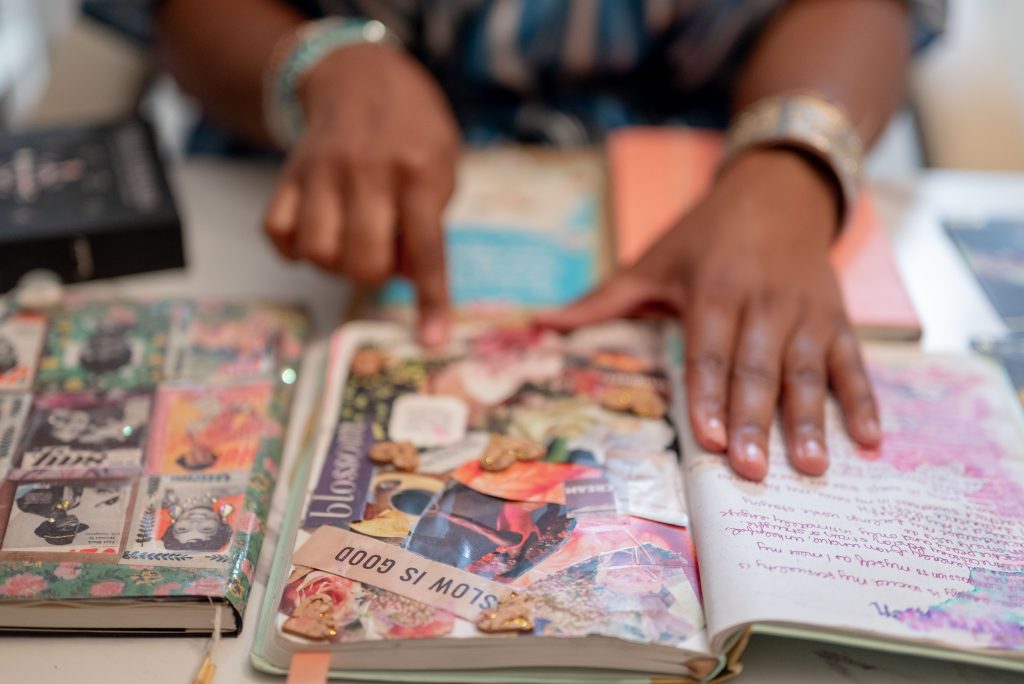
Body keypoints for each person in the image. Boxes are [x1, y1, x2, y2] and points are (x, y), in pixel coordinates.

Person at [155, 0, 945, 482]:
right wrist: (321, 62)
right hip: (302, 178)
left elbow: (871, 5)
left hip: (721, 175)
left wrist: (791, 161)